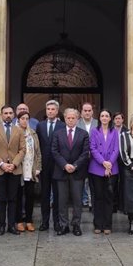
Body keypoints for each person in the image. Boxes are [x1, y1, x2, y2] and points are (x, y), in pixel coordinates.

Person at [0, 105, 26, 236]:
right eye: (5, 113)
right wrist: (2, 164)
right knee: (1, 198)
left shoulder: (19, 130)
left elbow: (22, 150)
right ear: (1, 114)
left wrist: (14, 164)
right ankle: (1, 226)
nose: (8, 115)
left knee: (13, 199)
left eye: (10, 113)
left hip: (15, 170)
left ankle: (11, 226)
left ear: (14, 114)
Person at [52, 108, 90, 236]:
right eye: (68, 118)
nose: (70, 120)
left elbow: (85, 153)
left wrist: (75, 165)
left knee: (77, 201)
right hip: (61, 172)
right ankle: (64, 225)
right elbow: (55, 151)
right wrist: (64, 165)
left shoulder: (83, 134)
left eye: (73, 118)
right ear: (65, 118)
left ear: (77, 119)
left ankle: (76, 225)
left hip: (77, 172)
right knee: (62, 201)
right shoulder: (58, 133)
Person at [88, 109, 119, 234]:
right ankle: (98, 224)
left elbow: (117, 149)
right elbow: (93, 148)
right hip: (96, 168)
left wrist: (109, 164)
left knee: (108, 197)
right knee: (98, 197)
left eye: (107, 116)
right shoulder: (94, 131)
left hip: (112, 168)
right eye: (102, 116)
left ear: (110, 118)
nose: (105, 118)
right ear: (99, 118)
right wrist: (103, 163)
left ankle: (107, 225)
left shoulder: (115, 132)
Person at [36, 99, 65, 231]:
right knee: (45, 194)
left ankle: (57, 222)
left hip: (58, 165)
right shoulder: (40, 125)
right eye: (48, 109)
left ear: (57, 111)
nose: (50, 111)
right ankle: (45, 222)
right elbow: (38, 146)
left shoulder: (62, 126)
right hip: (44, 165)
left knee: (58, 195)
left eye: (53, 109)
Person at [16, 110, 41, 232]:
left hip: (30, 168)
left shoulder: (33, 133)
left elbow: (38, 152)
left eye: (27, 118)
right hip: (18, 168)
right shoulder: (15, 132)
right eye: (22, 118)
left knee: (30, 196)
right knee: (18, 196)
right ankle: (19, 220)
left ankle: (29, 220)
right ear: (18, 120)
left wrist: (38, 167)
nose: (25, 121)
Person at [77, 102, 97, 210]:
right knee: (81, 180)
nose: (87, 112)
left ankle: (91, 202)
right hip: (80, 157)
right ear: (81, 112)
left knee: (93, 181)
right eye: (85, 110)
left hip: (95, 158)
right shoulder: (77, 123)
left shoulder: (98, 123)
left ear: (92, 112)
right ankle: (82, 200)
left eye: (89, 110)